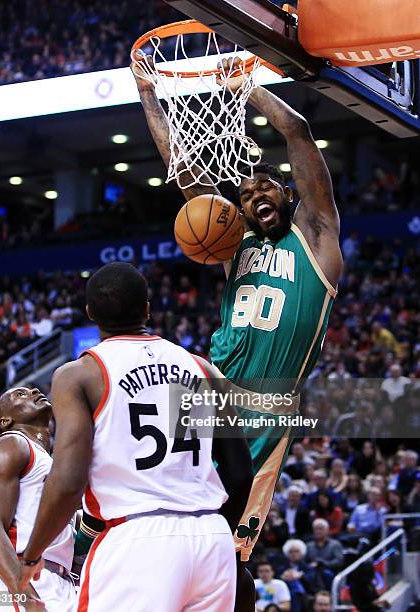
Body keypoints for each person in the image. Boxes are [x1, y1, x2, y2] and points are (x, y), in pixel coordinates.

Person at [132, 52, 342, 610]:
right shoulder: (233, 245)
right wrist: (150, 96)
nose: (255, 198)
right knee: (162, 524)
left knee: (228, 553)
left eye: (265, 190)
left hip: (268, 410)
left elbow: (297, 130)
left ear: (287, 196)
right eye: (246, 196)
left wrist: (246, 88)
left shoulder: (317, 239)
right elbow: (182, 170)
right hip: (209, 390)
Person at [18, 262, 253, 612]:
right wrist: (218, 530)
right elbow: (239, 472)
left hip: (139, 539)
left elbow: (68, 481)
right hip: (211, 537)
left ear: (90, 314)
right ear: (147, 308)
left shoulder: (80, 374)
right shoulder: (202, 367)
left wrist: (32, 553)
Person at [0, 386, 75, 611]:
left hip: (54, 580)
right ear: (5, 421)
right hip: (25, 584)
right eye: (20, 394)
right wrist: (27, 597)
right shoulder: (11, 444)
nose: (33, 391)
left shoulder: (48, 461)